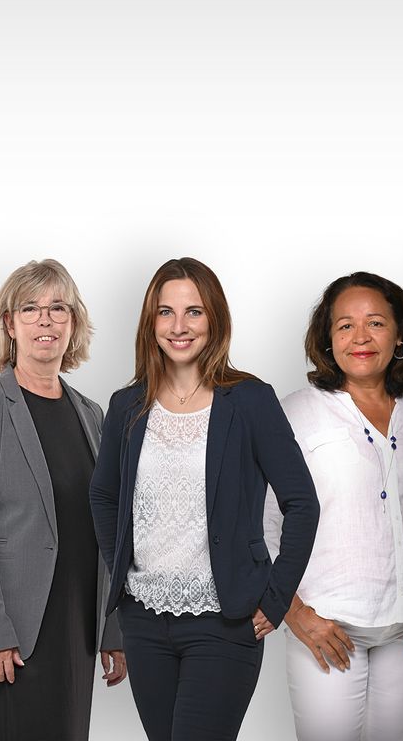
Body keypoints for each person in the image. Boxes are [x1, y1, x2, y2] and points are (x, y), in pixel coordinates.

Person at [89, 257, 319, 741]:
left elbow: (302, 502)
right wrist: (122, 574)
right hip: (144, 621)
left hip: (226, 620)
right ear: (150, 322)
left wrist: (277, 599)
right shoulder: (127, 405)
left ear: (214, 318)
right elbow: (104, 495)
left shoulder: (250, 400)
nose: (179, 326)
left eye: (193, 311)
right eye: (166, 312)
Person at [0, 259, 125, 741]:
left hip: (75, 627)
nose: (45, 319)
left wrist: (111, 629)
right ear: (10, 324)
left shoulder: (92, 414)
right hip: (10, 636)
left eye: (58, 308)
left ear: (73, 323)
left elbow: (105, 529)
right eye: (30, 308)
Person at [264, 271, 403, 741]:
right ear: (328, 338)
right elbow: (264, 523)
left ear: (399, 334)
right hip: (325, 623)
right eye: (345, 325)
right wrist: (293, 612)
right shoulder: (294, 412)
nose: (360, 337)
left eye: (376, 323)